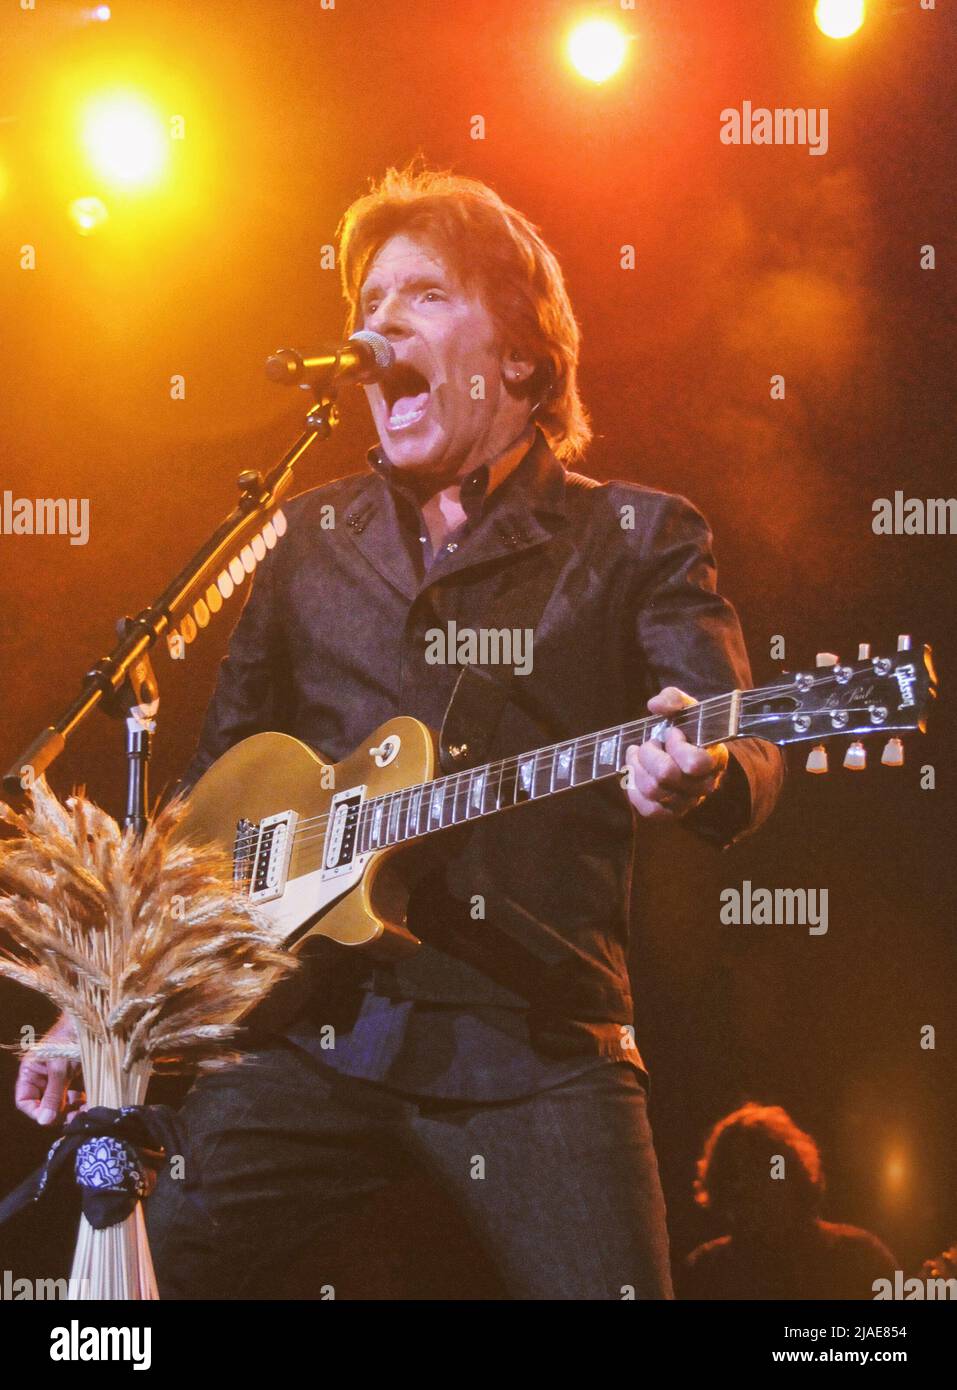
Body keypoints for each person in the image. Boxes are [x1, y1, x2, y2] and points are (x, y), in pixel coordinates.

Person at [16, 164, 784, 1300]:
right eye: (365, 308)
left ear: (521, 354)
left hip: (534, 1040)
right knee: (119, 1299)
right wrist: (104, 1008)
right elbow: (197, 812)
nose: (378, 329)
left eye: (420, 296)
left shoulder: (634, 535)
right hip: (308, 1030)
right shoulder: (306, 537)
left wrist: (703, 771)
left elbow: (741, 744)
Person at [679, 1102, 897, 1299]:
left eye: (764, 1172)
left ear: (794, 1175)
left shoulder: (858, 1256)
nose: (752, 1190)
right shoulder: (705, 1272)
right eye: (737, 1178)